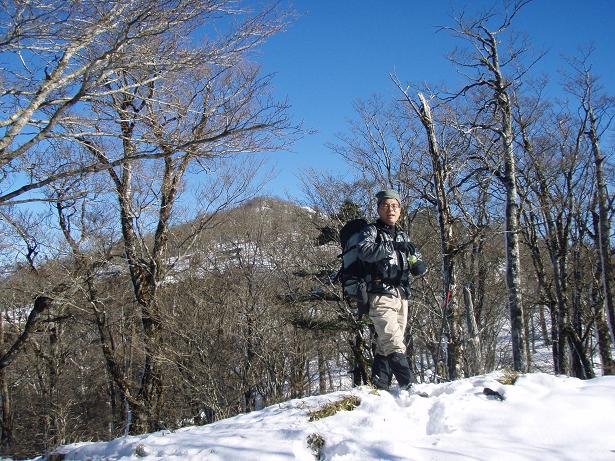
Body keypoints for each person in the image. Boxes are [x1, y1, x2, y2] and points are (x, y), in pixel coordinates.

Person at [356, 189, 427, 391]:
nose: (390, 209)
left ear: (400, 210)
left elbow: (416, 264)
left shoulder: (403, 235)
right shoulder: (371, 231)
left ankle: (380, 385)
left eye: (394, 206)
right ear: (379, 209)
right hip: (379, 295)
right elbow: (364, 251)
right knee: (394, 342)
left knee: (384, 343)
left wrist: (416, 262)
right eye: (386, 205)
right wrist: (393, 246)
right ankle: (409, 385)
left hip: (402, 296)